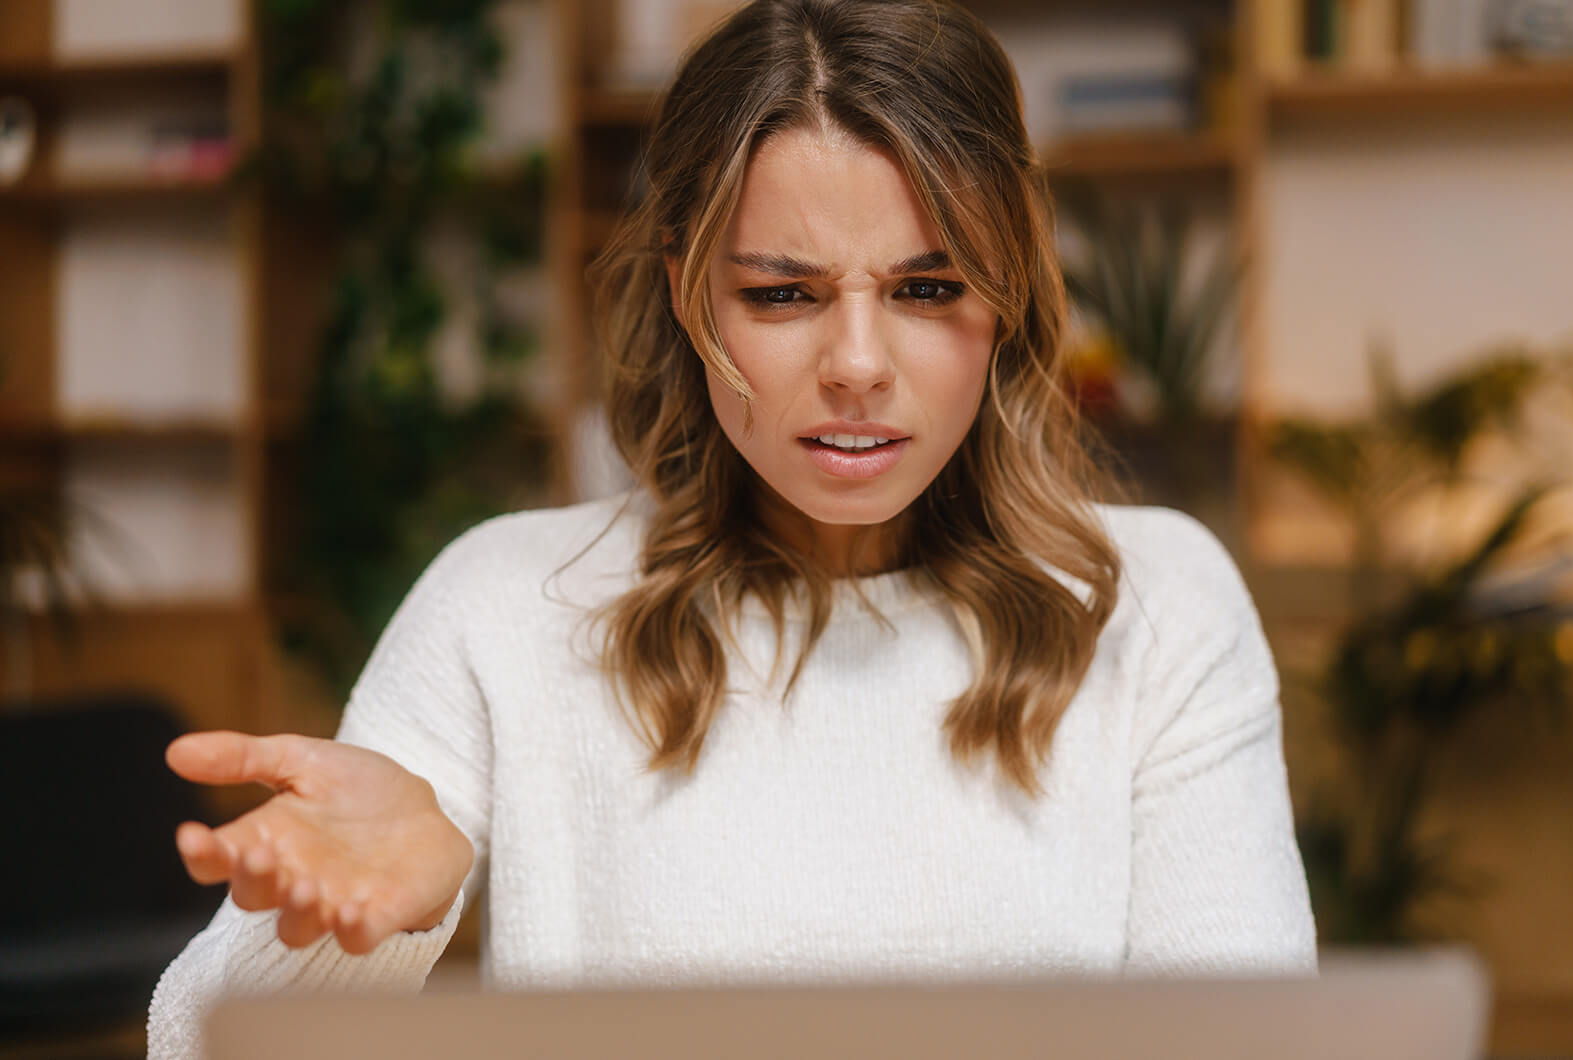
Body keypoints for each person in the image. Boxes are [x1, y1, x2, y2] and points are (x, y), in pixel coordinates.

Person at [148, 0, 1317, 1055]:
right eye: (780, 294)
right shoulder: (505, 600)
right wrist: (350, 946)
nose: (856, 367)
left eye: (926, 287)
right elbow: (197, 1042)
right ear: (686, 289)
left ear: (1008, 287)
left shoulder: (1157, 604)